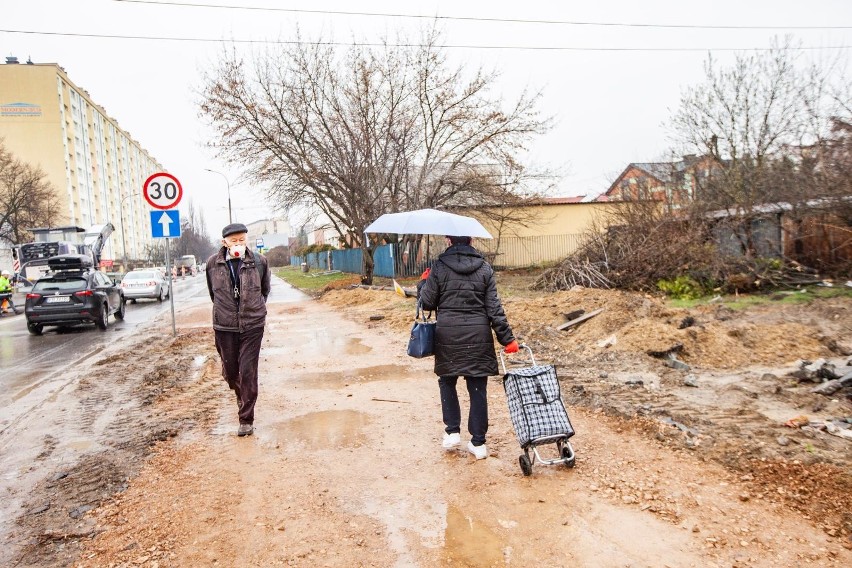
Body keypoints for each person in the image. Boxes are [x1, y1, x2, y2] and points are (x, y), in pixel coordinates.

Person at [418, 235, 519, 460]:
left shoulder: (439, 267)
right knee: (477, 388)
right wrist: (507, 339)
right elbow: (494, 308)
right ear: (471, 240)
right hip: (478, 336)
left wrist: (424, 282)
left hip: (448, 336)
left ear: (448, 241)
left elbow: (426, 302)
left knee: (447, 381)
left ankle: (452, 431)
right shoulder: (484, 268)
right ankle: (478, 443)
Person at [206, 223, 271, 437]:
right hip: (224, 326)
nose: (238, 244)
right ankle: (239, 392)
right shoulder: (212, 265)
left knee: (248, 370)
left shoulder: (259, 262)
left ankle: (246, 419)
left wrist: (254, 309)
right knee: (231, 371)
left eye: (242, 240)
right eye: (234, 241)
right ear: (224, 242)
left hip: (252, 324)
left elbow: (265, 290)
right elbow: (213, 295)